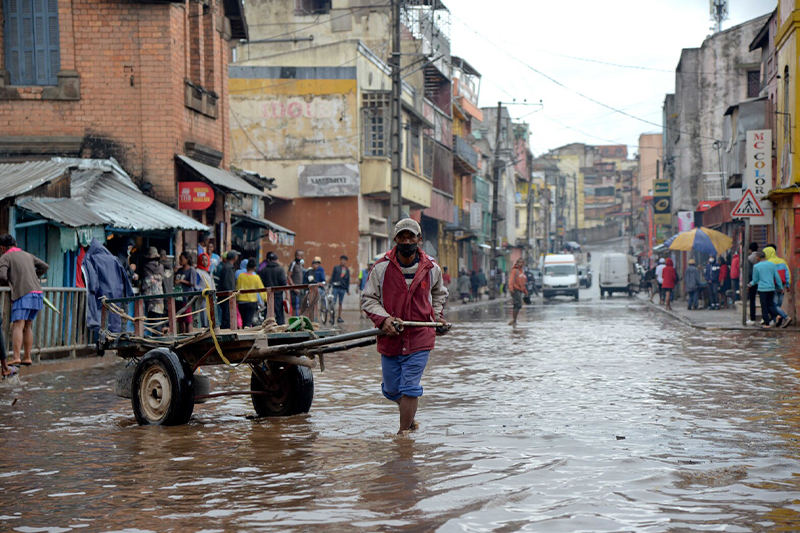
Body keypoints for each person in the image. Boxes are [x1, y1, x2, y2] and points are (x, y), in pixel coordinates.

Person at [361, 219, 448, 434]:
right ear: (395, 240)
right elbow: (368, 299)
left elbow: (438, 295)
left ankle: (403, 436)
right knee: (391, 390)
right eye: (402, 237)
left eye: (411, 237)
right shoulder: (381, 267)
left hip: (420, 336)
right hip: (390, 336)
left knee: (410, 387)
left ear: (419, 239)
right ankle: (409, 416)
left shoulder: (431, 268)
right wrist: (385, 319)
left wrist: (437, 318)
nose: (407, 241)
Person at [0, 235, 49, 367]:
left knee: (18, 325)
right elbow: (44, 266)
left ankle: (16, 357)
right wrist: (32, 277)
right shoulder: (27, 255)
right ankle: (27, 357)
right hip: (37, 293)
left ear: (2, 248)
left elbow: (2, 276)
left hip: (23, 293)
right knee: (28, 325)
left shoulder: (6, 257)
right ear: (15, 244)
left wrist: (12, 282)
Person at [749, 250, 784, 328]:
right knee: (770, 305)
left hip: (762, 289)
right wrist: (781, 287)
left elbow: (755, 280)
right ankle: (777, 315)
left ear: (758, 257)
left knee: (764, 306)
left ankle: (767, 323)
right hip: (771, 288)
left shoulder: (756, 266)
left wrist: (750, 285)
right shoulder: (772, 265)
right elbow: (777, 277)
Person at [764, 245, 792, 328]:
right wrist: (788, 284)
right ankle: (776, 319)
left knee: (773, 305)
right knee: (778, 305)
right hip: (782, 285)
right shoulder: (782, 261)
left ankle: (786, 317)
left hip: (772, 285)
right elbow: (788, 273)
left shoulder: (768, 263)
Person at [259, 251, 288, 325]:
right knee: (279, 315)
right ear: (276, 260)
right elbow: (284, 284)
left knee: (267, 315)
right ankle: (281, 330)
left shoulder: (263, 270)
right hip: (278, 296)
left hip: (267, 296)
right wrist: (287, 295)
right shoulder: (280, 270)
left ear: (268, 260)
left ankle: (267, 328)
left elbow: (260, 284)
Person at [236, 258, 265, 327]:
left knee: (244, 320)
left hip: (241, 302)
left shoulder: (241, 276)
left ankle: (244, 332)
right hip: (251, 302)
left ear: (247, 267)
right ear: (255, 268)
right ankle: (247, 334)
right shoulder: (256, 277)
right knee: (248, 321)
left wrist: (236, 299)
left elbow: (237, 288)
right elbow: (261, 290)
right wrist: (265, 300)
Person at [140, 247, 165, 323]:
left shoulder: (146, 267)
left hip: (151, 298)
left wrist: (142, 287)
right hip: (160, 297)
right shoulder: (161, 266)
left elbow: (147, 282)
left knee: (152, 321)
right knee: (158, 321)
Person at [174, 252, 197, 334]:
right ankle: (181, 334)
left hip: (187, 297)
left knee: (187, 318)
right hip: (178, 297)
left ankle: (188, 334)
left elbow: (193, 283)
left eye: (181, 259)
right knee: (180, 318)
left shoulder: (191, 270)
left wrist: (181, 281)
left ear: (187, 260)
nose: (180, 261)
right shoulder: (179, 270)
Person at [216, 250, 239, 329]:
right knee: (226, 314)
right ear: (234, 258)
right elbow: (226, 283)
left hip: (228, 294)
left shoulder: (229, 267)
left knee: (228, 314)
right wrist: (229, 293)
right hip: (226, 295)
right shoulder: (227, 268)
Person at [196, 253, 216, 328]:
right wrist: (202, 291)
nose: (205, 262)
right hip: (203, 297)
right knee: (203, 314)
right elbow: (196, 284)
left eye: (206, 260)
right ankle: (204, 328)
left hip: (211, 297)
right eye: (203, 260)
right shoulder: (197, 271)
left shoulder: (209, 271)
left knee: (211, 314)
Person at [329, 255, 351, 323]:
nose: (343, 261)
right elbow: (332, 276)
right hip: (335, 287)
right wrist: (330, 285)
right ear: (340, 260)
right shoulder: (336, 268)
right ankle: (331, 317)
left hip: (342, 288)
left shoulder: (347, 270)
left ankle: (339, 317)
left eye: (344, 260)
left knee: (340, 303)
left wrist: (347, 290)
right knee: (333, 302)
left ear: (346, 261)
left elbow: (348, 280)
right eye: (342, 260)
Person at [508, 258, 529, 326]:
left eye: (522, 263)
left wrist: (525, 291)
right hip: (515, 289)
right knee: (518, 305)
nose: (521, 264)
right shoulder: (515, 270)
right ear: (517, 263)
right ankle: (514, 319)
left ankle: (514, 320)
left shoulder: (521, 272)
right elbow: (511, 280)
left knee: (516, 305)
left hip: (520, 290)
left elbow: (522, 282)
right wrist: (511, 288)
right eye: (520, 263)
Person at [288, 250, 305, 315]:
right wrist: (294, 287)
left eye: (301, 256)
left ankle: (300, 321)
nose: (299, 257)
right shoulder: (293, 264)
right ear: (295, 256)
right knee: (295, 307)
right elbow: (289, 276)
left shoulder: (301, 264)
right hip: (295, 289)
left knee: (301, 305)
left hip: (300, 288)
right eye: (298, 256)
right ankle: (294, 321)